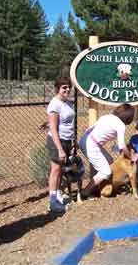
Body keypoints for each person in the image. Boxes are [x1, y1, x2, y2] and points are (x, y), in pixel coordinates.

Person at [79, 103, 135, 198]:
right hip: (92, 144)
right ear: (128, 117)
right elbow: (121, 145)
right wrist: (130, 157)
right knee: (106, 171)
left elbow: (90, 128)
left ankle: (98, 187)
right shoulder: (120, 125)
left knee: (109, 161)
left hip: (86, 139)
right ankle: (86, 191)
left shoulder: (107, 116)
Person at [45, 77, 75, 213]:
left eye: (69, 87)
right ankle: (52, 202)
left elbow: (68, 123)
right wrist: (60, 149)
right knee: (55, 170)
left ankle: (57, 195)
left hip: (67, 140)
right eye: (64, 87)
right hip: (57, 141)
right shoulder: (54, 104)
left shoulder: (68, 102)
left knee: (60, 170)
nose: (67, 90)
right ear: (57, 88)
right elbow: (53, 127)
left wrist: (73, 141)